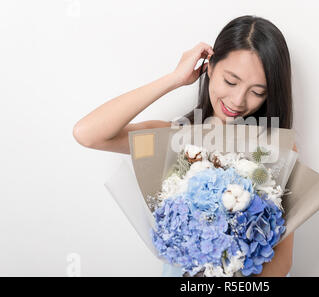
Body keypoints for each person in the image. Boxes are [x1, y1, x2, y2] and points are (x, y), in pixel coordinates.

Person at [73, 15, 296, 277]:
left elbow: (281, 261)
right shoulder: (173, 139)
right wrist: (175, 78)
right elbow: (89, 134)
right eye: (231, 81)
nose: (238, 100)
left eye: (257, 92)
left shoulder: (275, 150)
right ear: (210, 67)